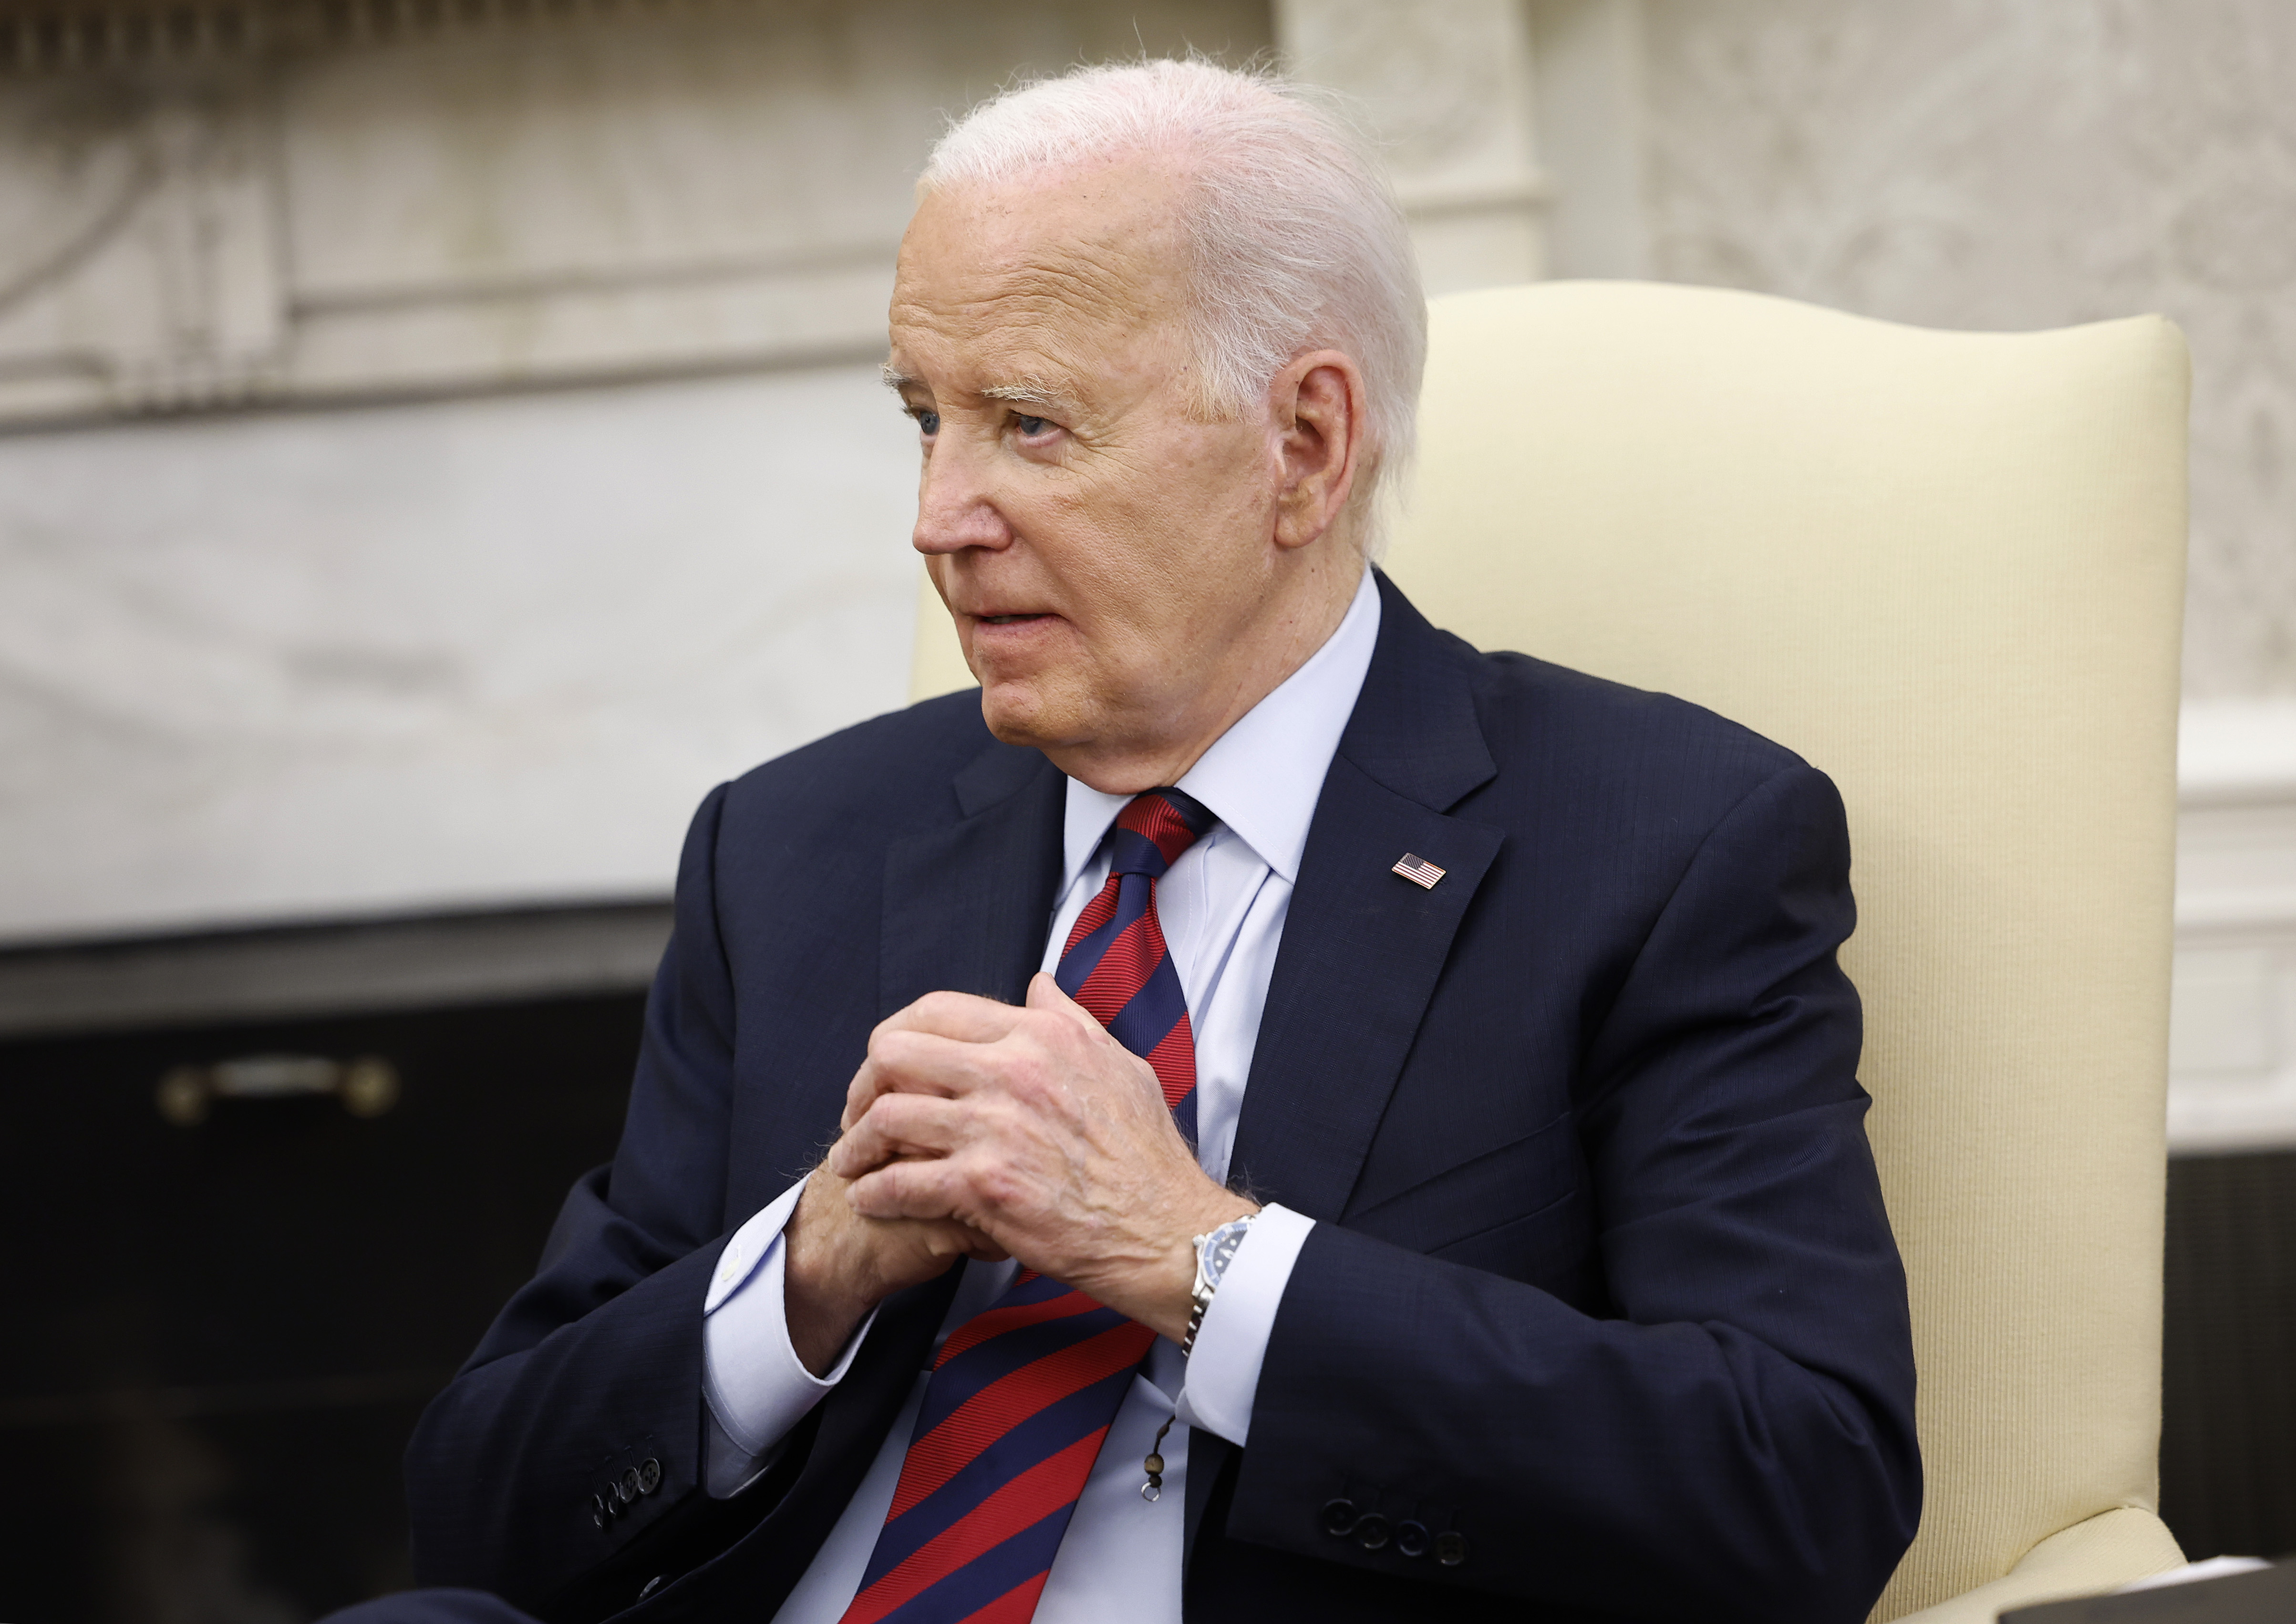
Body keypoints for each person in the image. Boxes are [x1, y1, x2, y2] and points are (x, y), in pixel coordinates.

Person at [400, 58, 1921, 1624]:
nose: (939, 513)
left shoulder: (1660, 844)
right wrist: (811, 1264)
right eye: (925, 419)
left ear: (1306, 448)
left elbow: (1800, 1484)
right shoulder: (790, 847)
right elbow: (480, 1513)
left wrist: (1193, 1251)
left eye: (1031, 424)